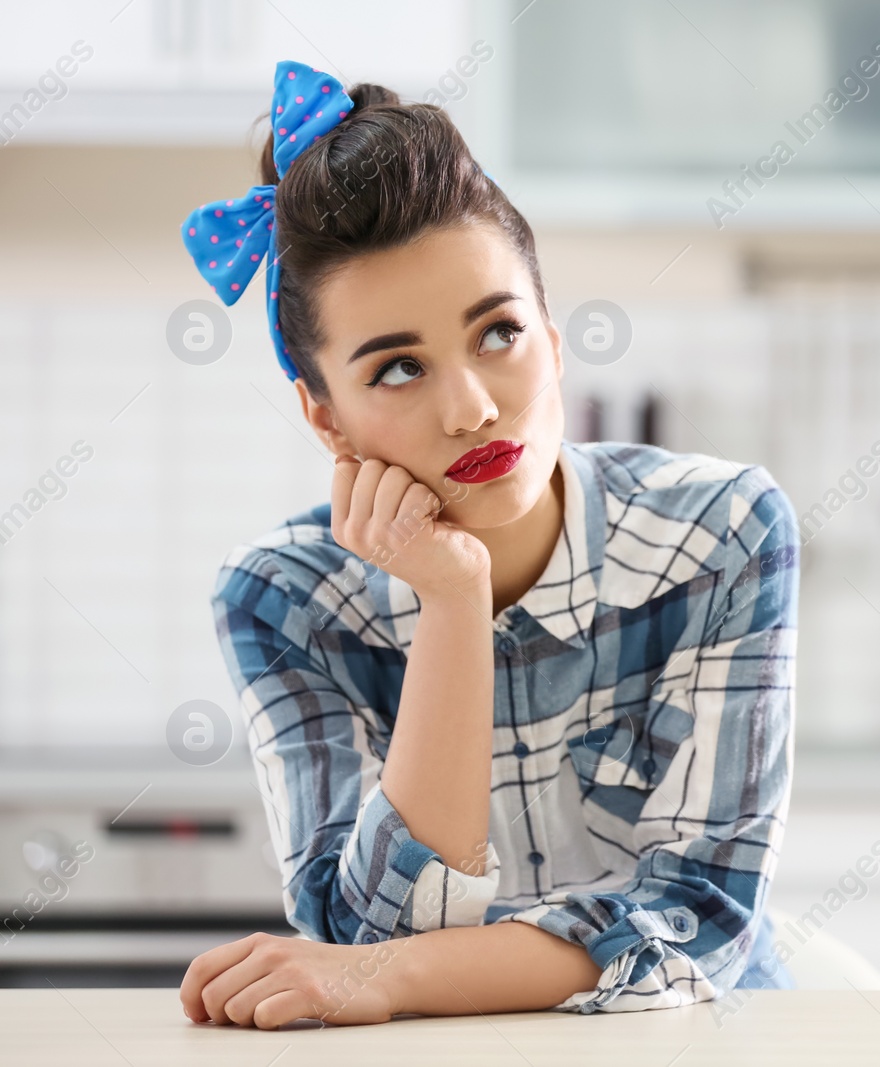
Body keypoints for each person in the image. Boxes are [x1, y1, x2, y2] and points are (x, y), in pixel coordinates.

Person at [174, 61, 799, 1030]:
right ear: (325, 416)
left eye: (497, 333)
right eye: (397, 367)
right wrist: (452, 603)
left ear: (552, 336)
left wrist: (395, 976)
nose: (469, 405)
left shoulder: (719, 532)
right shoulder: (280, 596)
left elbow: (699, 917)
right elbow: (365, 929)